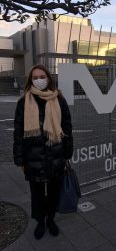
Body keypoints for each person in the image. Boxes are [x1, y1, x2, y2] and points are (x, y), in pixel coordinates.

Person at [13, 64, 73, 240]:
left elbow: (67, 126)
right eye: (35, 77)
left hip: (55, 155)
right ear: (30, 80)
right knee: (37, 195)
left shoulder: (58, 99)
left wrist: (67, 152)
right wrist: (20, 159)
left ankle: (51, 220)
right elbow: (18, 132)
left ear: (48, 77)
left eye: (42, 76)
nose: (39, 80)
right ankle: (40, 221)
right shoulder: (24, 101)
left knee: (54, 192)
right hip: (34, 158)